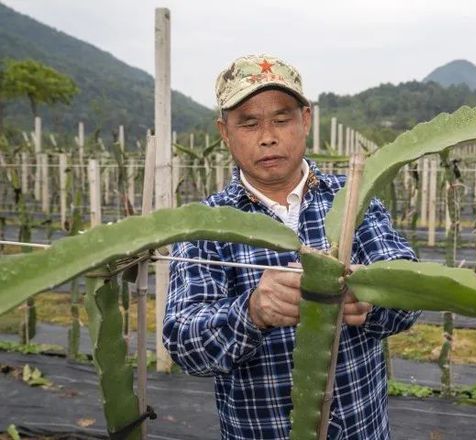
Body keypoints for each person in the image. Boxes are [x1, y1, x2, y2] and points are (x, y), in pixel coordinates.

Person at [163, 54, 419, 440]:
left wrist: (373, 296)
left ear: (305, 120)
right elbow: (184, 342)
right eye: (248, 123)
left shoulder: (353, 200)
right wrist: (250, 312)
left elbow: (410, 293)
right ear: (224, 133)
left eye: (281, 119)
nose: (268, 136)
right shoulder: (206, 225)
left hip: (361, 429)